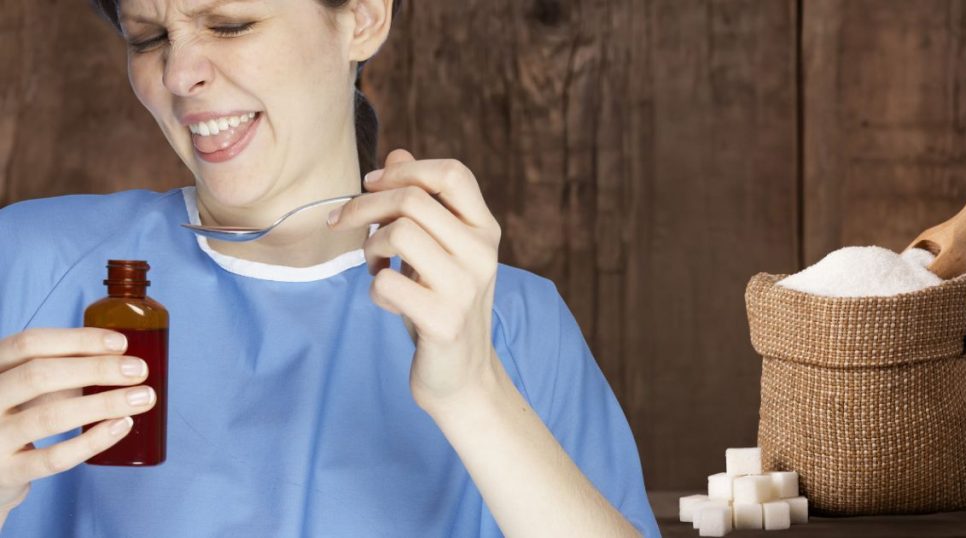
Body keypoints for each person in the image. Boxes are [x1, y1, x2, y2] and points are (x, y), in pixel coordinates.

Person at [0, 0, 660, 536]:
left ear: (364, 18)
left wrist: (473, 393)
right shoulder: (29, 263)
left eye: (231, 24)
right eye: (147, 38)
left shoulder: (513, 321)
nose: (178, 75)